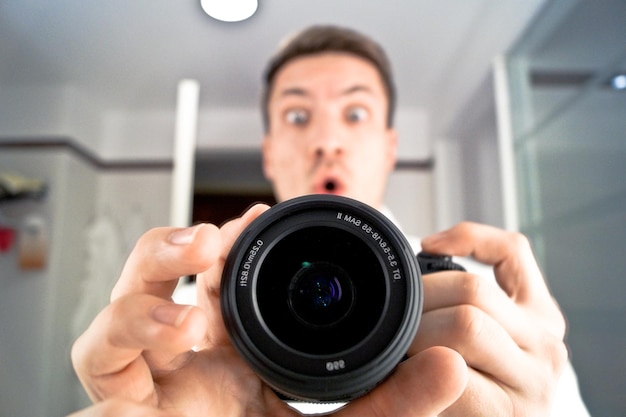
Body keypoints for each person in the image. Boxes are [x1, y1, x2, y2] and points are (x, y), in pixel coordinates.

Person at [69, 25, 590, 416]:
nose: (326, 140)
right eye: (298, 116)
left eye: (355, 113)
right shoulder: (188, 329)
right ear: (270, 154)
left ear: (390, 149)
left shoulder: (480, 308)